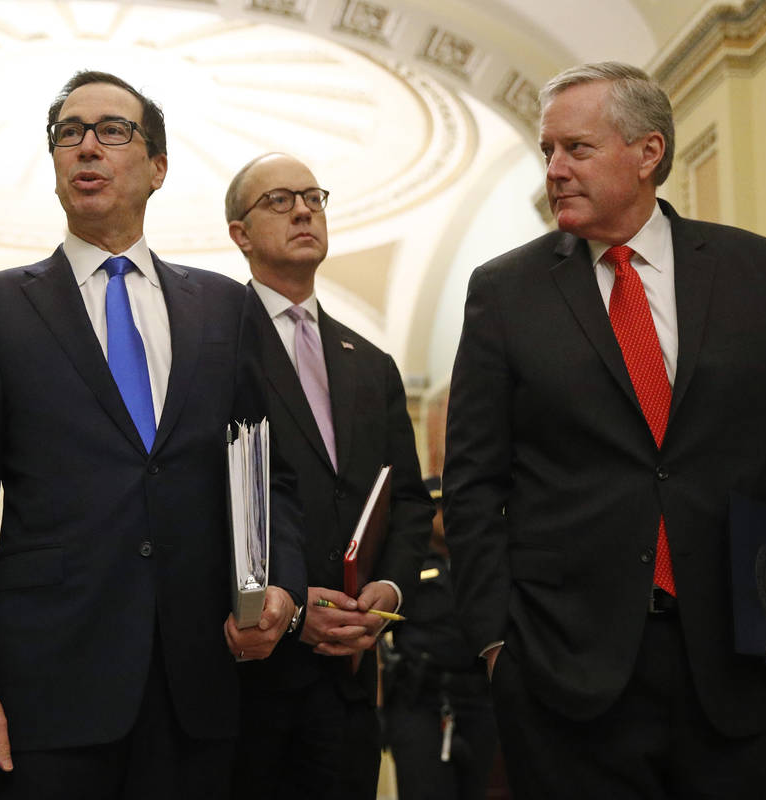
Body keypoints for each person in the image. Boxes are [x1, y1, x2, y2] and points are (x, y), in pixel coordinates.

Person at [442, 61, 766, 799]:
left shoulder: (757, 272)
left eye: (577, 149)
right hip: (567, 671)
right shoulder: (505, 292)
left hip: (743, 654)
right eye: (547, 152)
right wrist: (496, 641)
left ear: (648, 153)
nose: (555, 170)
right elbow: (474, 482)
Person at [0, 71, 306, 800]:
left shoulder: (225, 308)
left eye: (112, 131)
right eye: (69, 134)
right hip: (48, 692)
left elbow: (266, 477)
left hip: (199, 684)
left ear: (157, 167)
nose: (86, 147)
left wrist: (280, 586)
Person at [223, 152, 432, 799]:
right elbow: (201, 498)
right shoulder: (212, 341)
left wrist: (390, 593)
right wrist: (286, 604)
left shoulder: (372, 363)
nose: (304, 210)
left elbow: (408, 501)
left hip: (350, 679)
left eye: (313, 197)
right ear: (240, 233)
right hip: (245, 682)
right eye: (279, 201)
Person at [383, 477, 498, 800]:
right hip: (420, 700)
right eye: (437, 508)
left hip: (477, 700)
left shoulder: (479, 562)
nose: (446, 515)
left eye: (451, 507)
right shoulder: (405, 565)